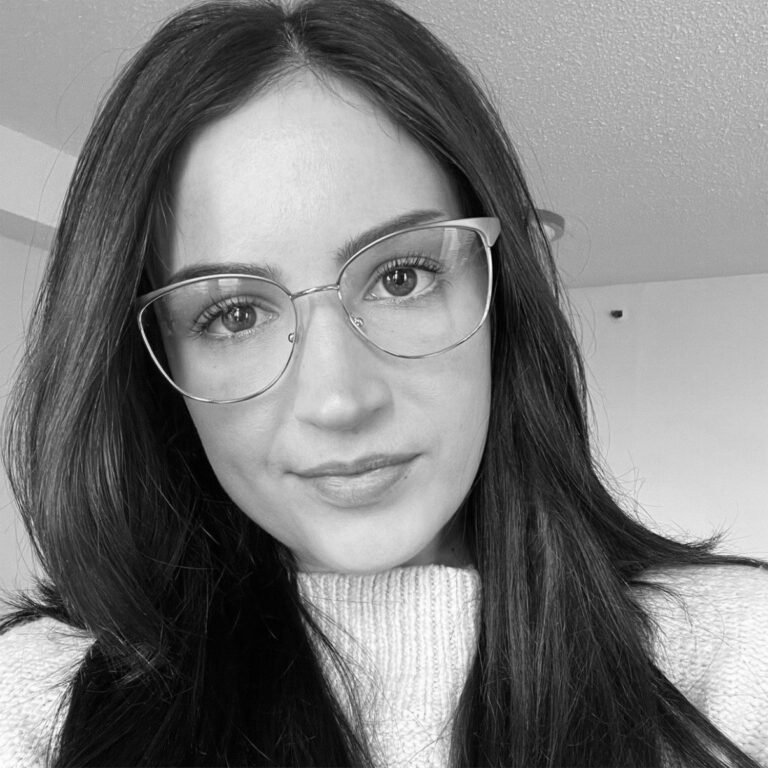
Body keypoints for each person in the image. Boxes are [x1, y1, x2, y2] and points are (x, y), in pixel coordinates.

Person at [1, 0, 766, 765]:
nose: (340, 400)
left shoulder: (735, 665)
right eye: (233, 314)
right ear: (155, 369)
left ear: (502, 290)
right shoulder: (40, 702)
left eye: (401, 276)